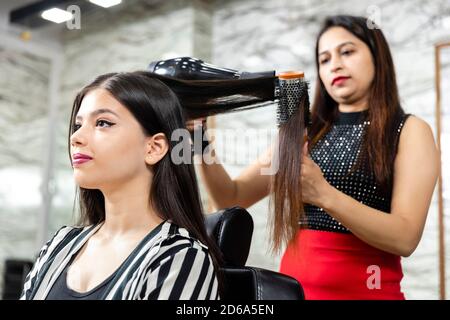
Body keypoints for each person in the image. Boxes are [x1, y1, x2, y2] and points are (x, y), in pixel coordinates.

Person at [192, 15, 439, 299]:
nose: (335, 64)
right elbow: (230, 197)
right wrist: (199, 138)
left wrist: (323, 194)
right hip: (295, 292)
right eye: (324, 59)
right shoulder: (305, 134)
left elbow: (405, 237)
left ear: (377, 56)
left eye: (347, 52)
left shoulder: (408, 130)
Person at [20, 71, 221, 300]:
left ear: (154, 148)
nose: (76, 138)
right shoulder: (58, 246)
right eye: (78, 125)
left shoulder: (180, 258)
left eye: (103, 123)